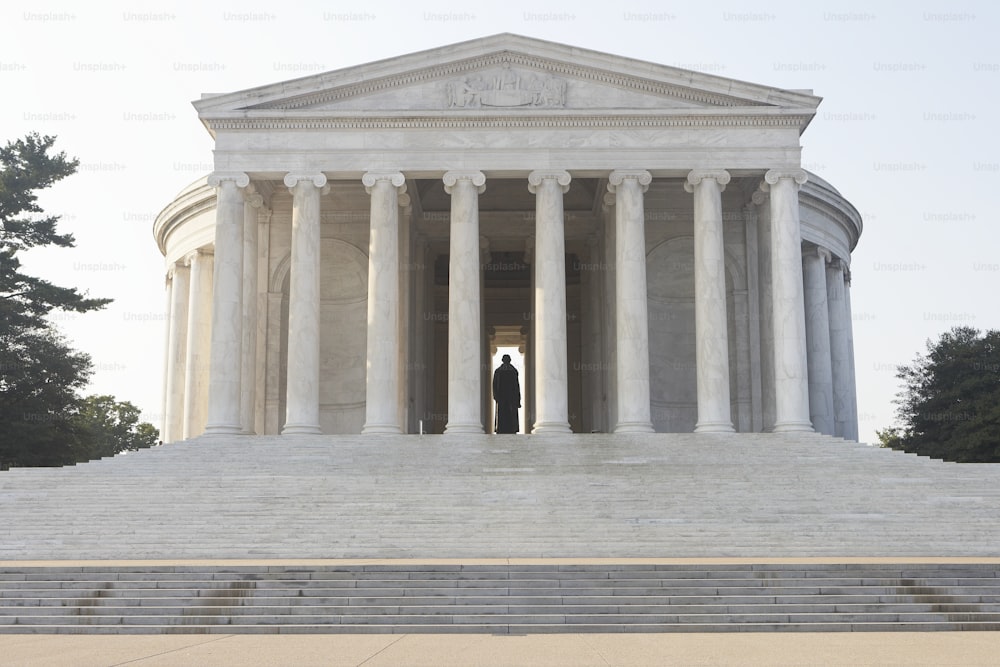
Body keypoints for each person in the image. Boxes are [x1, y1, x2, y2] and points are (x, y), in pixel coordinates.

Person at [492, 354, 521, 434]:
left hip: (507, 398)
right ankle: (506, 429)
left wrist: (496, 396)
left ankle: (506, 429)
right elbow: (495, 385)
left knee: (506, 415)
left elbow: (516, 386)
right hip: (505, 397)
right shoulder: (510, 371)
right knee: (504, 415)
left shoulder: (500, 371)